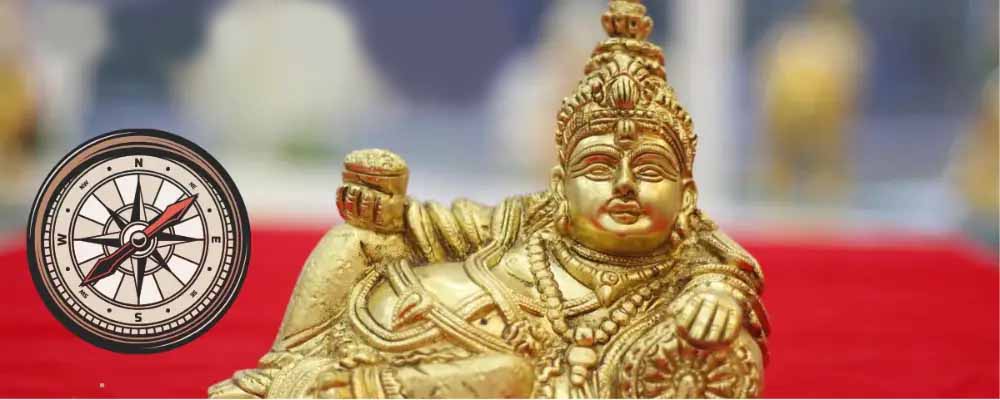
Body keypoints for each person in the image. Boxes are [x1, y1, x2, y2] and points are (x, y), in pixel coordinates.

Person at [210, 1, 768, 397]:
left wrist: (721, 290)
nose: (624, 184)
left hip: (476, 368)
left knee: (510, 378)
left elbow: (729, 265)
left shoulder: (690, 265)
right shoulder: (533, 219)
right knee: (356, 240)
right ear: (561, 185)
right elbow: (445, 225)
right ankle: (276, 374)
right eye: (599, 167)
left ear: (687, 195)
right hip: (385, 315)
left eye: (649, 169)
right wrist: (391, 211)